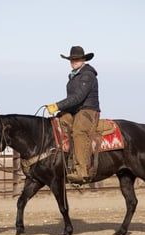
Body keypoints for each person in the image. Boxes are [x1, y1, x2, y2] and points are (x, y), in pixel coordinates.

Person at [46, 46, 100, 184]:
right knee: (58, 122)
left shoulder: (87, 75)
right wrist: (61, 110)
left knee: (78, 131)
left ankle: (82, 171)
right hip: (75, 110)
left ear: (83, 59)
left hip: (88, 110)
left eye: (76, 59)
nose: (73, 62)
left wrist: (57, 105)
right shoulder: (74, 76)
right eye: (71, 59)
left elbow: (78, 97)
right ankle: (64, 163)